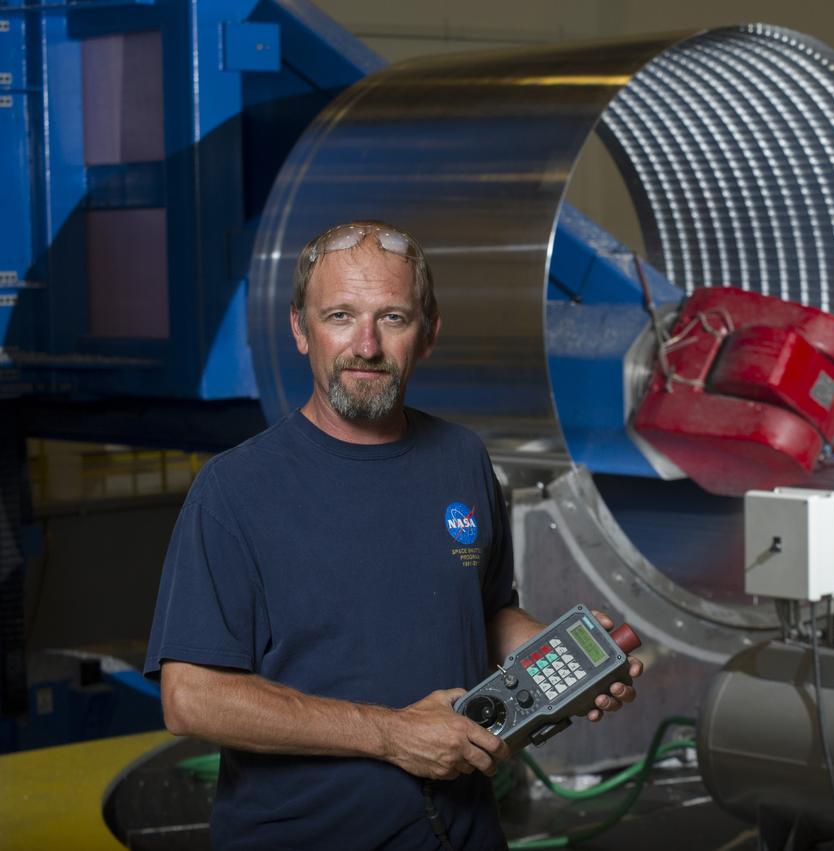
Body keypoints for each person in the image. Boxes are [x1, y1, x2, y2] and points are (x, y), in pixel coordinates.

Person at [144, 220, 642, 849]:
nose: (366, 345)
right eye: (340, 316)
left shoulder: (461, 458)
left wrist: (558, 660)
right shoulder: (234, 490)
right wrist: (390, 734)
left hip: (464, 832)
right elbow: (191, 699)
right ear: (302, 330)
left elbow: (484, 613)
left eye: (393, 318)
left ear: (429, 333)